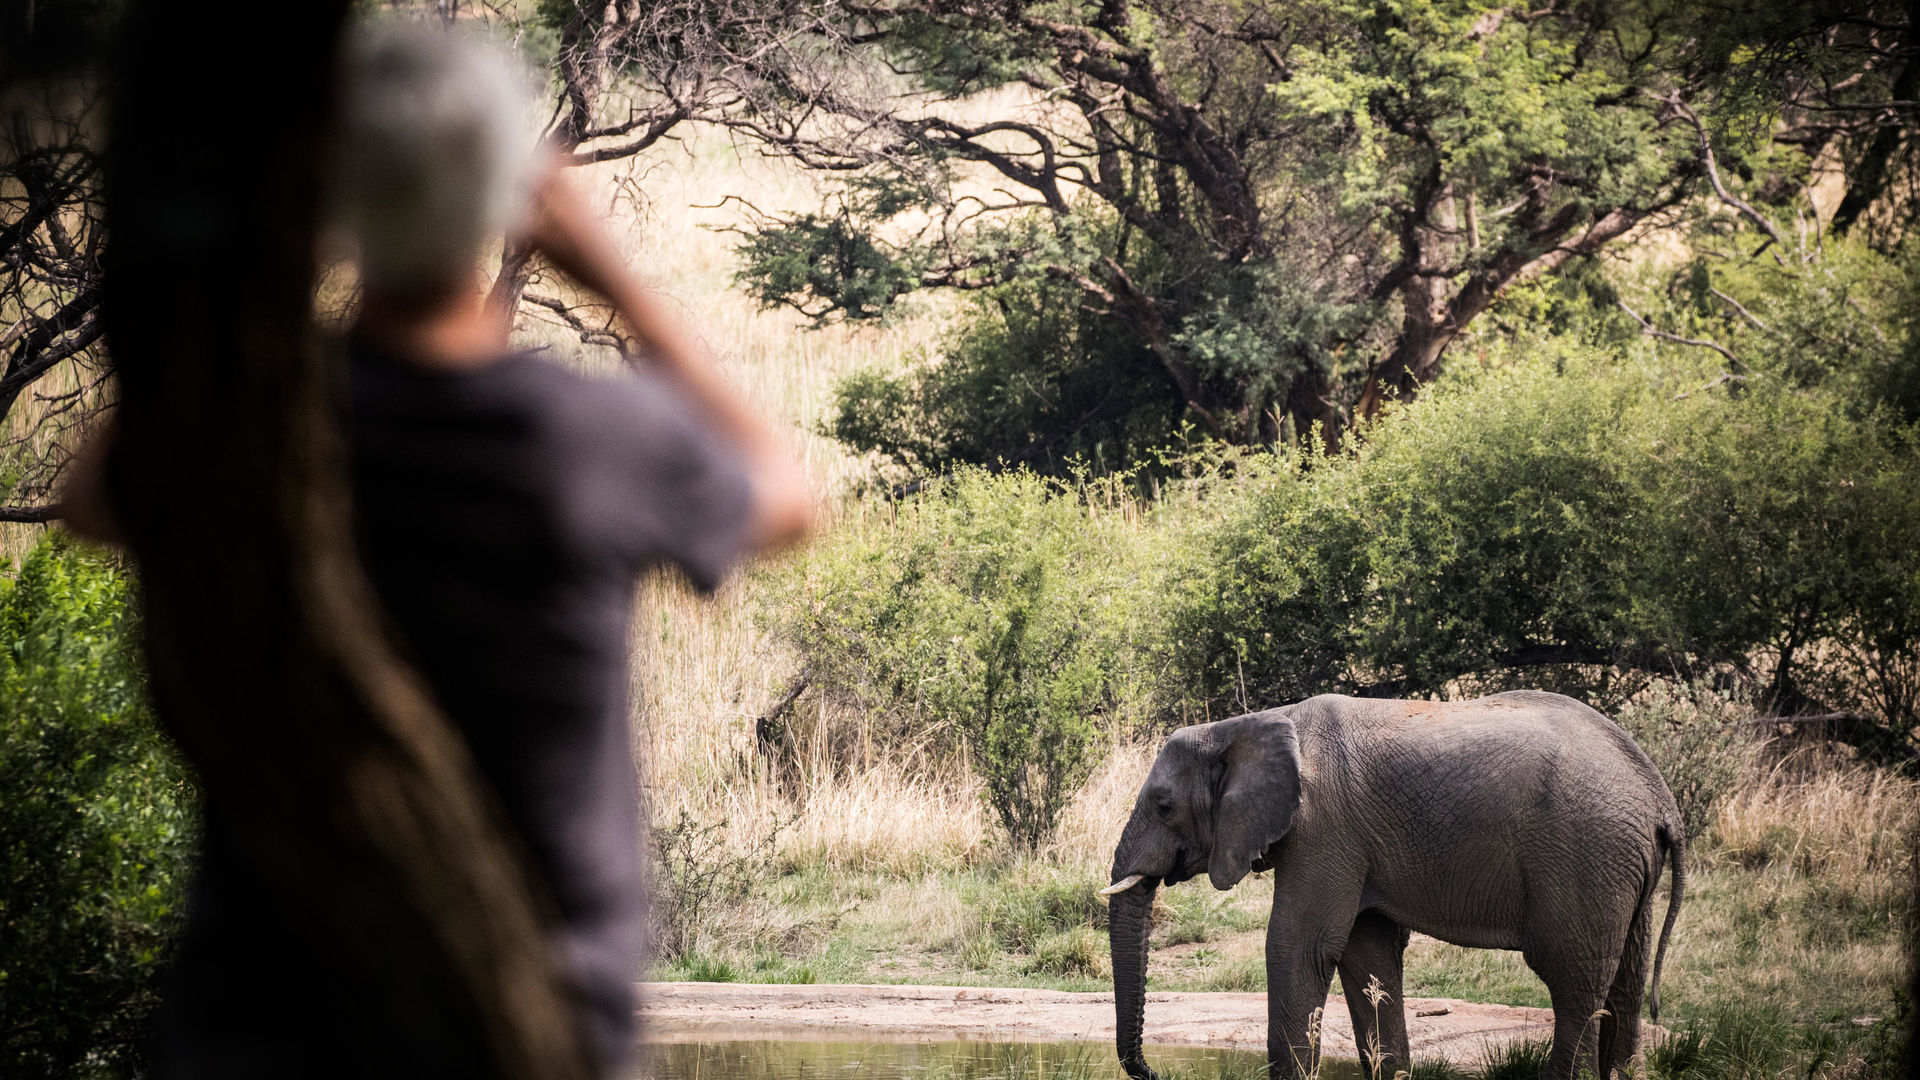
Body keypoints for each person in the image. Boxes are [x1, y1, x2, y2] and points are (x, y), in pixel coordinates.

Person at [65, 22, 812, 1078]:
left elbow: (90, 497)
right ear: (504, 198)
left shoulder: (271, 434)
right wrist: (617, 280)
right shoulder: (580, 444)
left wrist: (251, 280)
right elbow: (787, 499)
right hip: (543, 1023)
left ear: (331, 195)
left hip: (267, 1025)